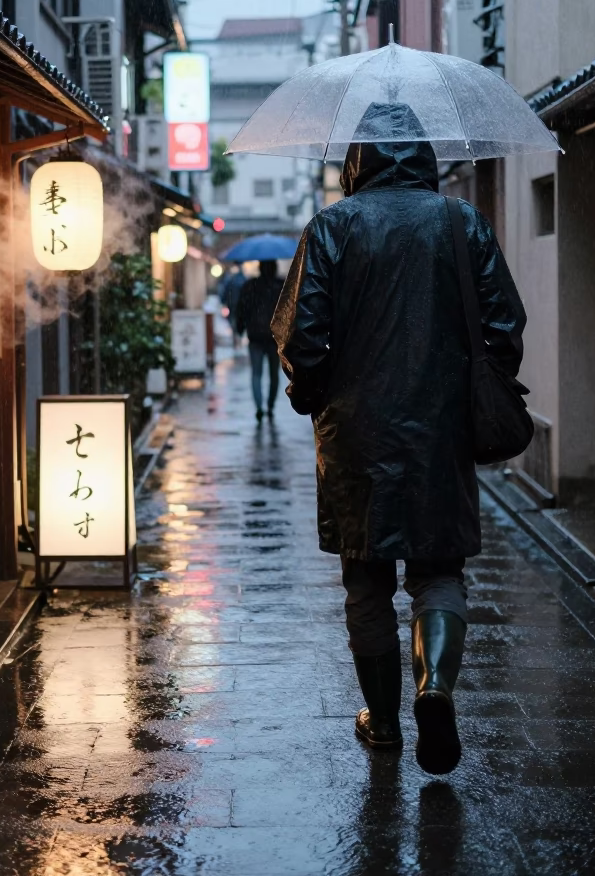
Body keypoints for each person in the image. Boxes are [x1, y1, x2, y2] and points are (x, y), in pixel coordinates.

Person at [271, 102, 526, 776]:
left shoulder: (331, 227)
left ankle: (383, 721)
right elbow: (505, 324)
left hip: (355, 434)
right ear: (424, 158)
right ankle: (434, 686)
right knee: (439, 570)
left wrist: (312, 395)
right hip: (441, 429)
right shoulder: (461, 222)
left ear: (356, 162)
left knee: (366, 579)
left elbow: (301, 335)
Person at [235, 260, 285, 421]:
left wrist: (240, 327)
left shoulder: (250, 286)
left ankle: (259, 407)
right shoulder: (282, 286)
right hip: (274, 337)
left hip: (255, 336)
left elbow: (241, 308)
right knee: (274, 374)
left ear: (260, 268)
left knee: (256, 373)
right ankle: (270, 405)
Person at [219, 265, 246, 351]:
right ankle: (239, 339)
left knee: (234, 322)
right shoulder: (243, 280)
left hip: (233, 305)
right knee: (239, 322)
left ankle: (236, 340)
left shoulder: (230, 280)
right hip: (240, 306)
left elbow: (225, 293)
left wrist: (224, 301)